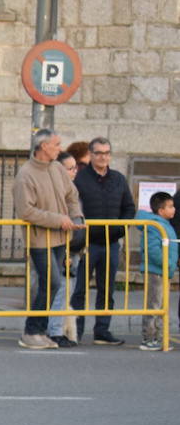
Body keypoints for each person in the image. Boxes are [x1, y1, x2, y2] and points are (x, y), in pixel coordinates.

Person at [13, 128, 83, 350]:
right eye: (56, 144)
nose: (60, 148)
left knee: (51, 284)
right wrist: (58, 219)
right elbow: (26, 211)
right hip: (39, 240)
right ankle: (32, 330)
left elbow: (72, 195)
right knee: (51, 282)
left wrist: (75, 215)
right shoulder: (25, 174)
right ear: (44, 146)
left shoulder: (57, 169)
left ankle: (39, 331)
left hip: (60, 237)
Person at [71, 136, 136, 346]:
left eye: (107, 153)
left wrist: (121, 227)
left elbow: (128, 207)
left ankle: (102, 330)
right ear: (91, 155)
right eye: (98, 153)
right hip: (85, 245)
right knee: (79, 290)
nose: (103, 157)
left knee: (107, 289)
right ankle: (75, 331)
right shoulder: (79, 179)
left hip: (111, 243)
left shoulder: (118, 178)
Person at [135, 191, 176, 351]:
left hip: (164, 271)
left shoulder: (164, 225)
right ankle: (149, 338)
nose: (174, 209)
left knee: (161, 305)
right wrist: (166, 263)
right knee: (154, 304)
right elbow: (153, 250)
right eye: (170, 206)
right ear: (160, 210)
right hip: (156, 271)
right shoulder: (154, 226)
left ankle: (158, 337)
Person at [49, 151, 81, 347]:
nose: (74, 171)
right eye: (70, 168)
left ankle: (58, 330)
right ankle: (55, 331)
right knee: (60, 291)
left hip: (75, 247)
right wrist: (67, 251)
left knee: (65, 291)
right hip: (63, 248)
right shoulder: (57, 193)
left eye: (75, 167)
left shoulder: (71, 189)